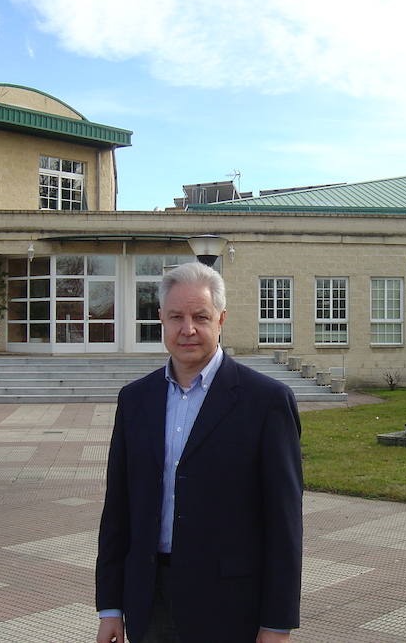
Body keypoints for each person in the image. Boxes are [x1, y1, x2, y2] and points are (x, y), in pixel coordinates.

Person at [96, 261, 303, 643]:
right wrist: (110, 606)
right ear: (160, 319)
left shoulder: (266, 402)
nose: (187, 329)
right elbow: (118, 511)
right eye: (176, 316)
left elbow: (284, 523)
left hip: (231, 607)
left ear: (221, 319)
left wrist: (277, 622)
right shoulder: (135, 400)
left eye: (200, 316)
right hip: (149, 601)